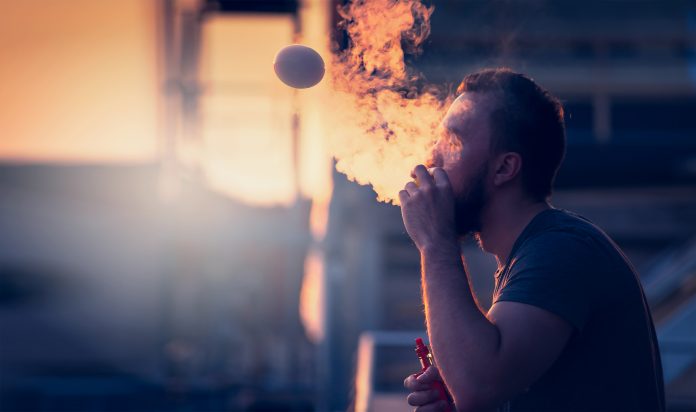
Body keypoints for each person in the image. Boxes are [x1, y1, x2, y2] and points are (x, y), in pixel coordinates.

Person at [400, 68, 665, 412]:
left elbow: (479, 383)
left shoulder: (560, 250)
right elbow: (487, 387)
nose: (432, 158)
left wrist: (435, 243)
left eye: (452, 143)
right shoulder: (531, 254)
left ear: (504, 168)